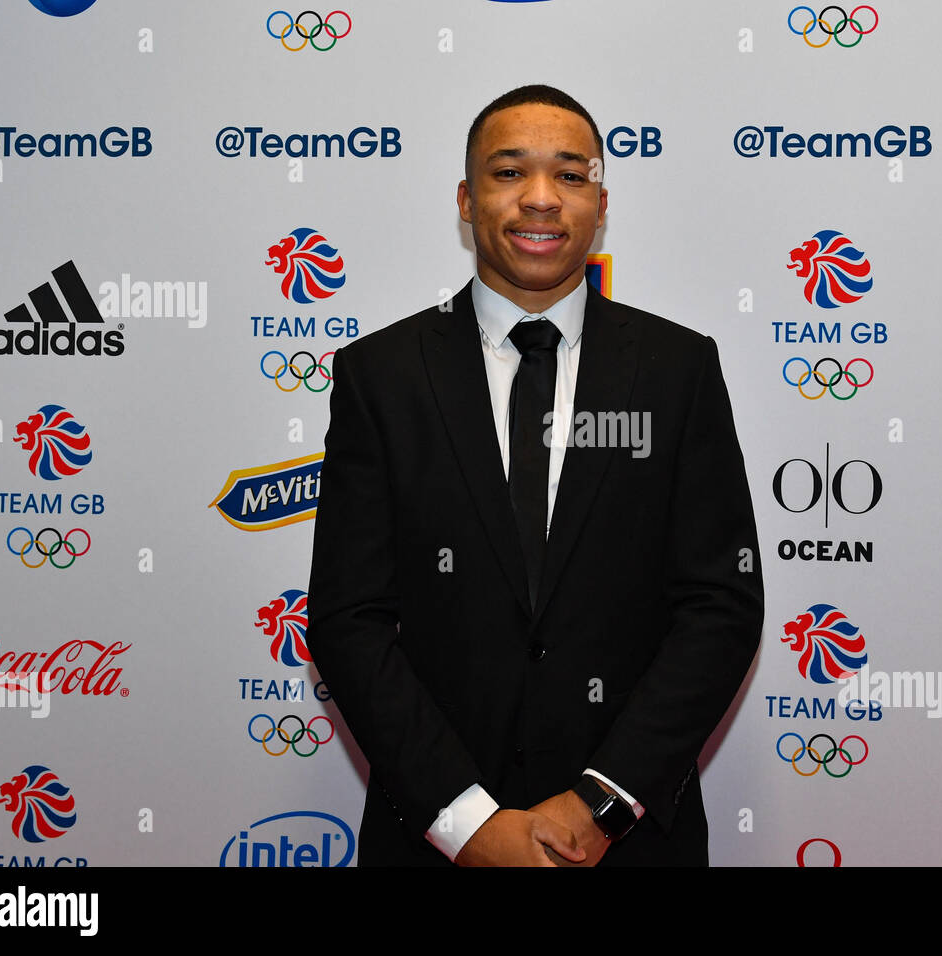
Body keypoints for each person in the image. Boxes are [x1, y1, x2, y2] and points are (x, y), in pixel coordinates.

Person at [307, 85, 763, 866]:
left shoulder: (678, 369)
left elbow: (720, 605)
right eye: (509, 172)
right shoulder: (382, 375)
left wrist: (600, 807)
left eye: (570, 176)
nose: (542, 200)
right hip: (434, 844)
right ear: (466, 198)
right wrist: (466, 823)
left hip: (629, 846)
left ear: (601, 202)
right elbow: (349, 618)